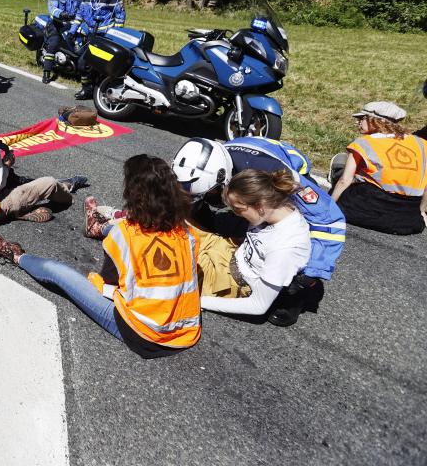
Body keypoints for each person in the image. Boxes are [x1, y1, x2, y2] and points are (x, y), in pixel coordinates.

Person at [0, 155, 201, 359]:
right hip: (186, 333)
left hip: (141, 333)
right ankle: (97, 227)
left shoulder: (124, 233)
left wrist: (94, 276)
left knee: (62, 274)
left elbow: (106, 282)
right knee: (120, 235)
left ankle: (16, 256)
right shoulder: (188, 232)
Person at [170, 136, 345, 325]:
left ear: (225, 177)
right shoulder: (212, 159)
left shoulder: (275, 176)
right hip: (252, 190)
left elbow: (329, 219)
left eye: (212, 192)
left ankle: (294, 296)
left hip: (291, 171)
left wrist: (312, 270)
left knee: (298, 254)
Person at [0, 77, 87, 223]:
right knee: (49, 184)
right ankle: (64, 190)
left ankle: (26, 202)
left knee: (19, 180)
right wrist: (7, 165)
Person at [196, 169, 312, 318]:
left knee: (168, 272)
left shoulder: (285, 247)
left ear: (259, 205)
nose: (236, 214)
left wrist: (199, 301)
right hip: (228, 252)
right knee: (178, 227)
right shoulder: (277, 207)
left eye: (238, 209)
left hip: (230, 282)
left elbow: (258, 305)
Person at [330, 101, 427, 235]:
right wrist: (420, 212)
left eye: (362, 118)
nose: (357, 123)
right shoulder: (421, 144)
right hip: (406, 218)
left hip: (367, 206)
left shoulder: (363, 143)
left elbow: (344, 181)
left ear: (375, 121)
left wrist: (329, 207)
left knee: (340, 181)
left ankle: (335, 173)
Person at [42, 0, 82, 86]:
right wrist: (61, 13)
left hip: (73, 22)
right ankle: (46, 72)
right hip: (57, 23)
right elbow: (52, 8)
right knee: (53, 44)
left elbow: (81, 7)